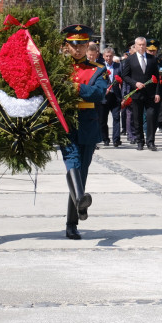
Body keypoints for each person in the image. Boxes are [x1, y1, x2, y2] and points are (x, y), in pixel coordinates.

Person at [60, 24, 109, 239]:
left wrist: (78, 88)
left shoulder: (98, 70)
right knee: (73, 163)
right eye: (73, 44)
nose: (77, 49)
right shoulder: (58, 69)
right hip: (65, 122)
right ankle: (76, 213)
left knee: (82, 173)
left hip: (88, 123)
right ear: (67, 46)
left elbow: (99, 94)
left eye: (81, 44)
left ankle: (74, 217)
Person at [121, 36, 162, 151]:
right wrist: (135, 83)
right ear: (135, 46)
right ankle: (140, 141)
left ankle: (151, 142)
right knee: (137, 119)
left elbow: (157, 78)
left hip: (150, 94)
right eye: (139, 45)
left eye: (143, 44)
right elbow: (125, 76)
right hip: (137, 93)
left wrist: (158, 93)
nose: (141, 47)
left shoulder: (152, 59)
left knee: (151, 117)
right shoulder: (130, 59)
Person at [100, 47, 123, 147]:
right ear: (103, 56)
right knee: (103, 119)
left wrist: (124, 94)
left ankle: (116, 140)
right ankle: (105, 138)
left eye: (110, 56)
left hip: (116, 96)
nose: (108, 58)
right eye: (107, 56)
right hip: (104, 97)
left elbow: (123, 79)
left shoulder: (118, 66)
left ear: (113, 56)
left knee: (116, 118)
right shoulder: (100, 67)